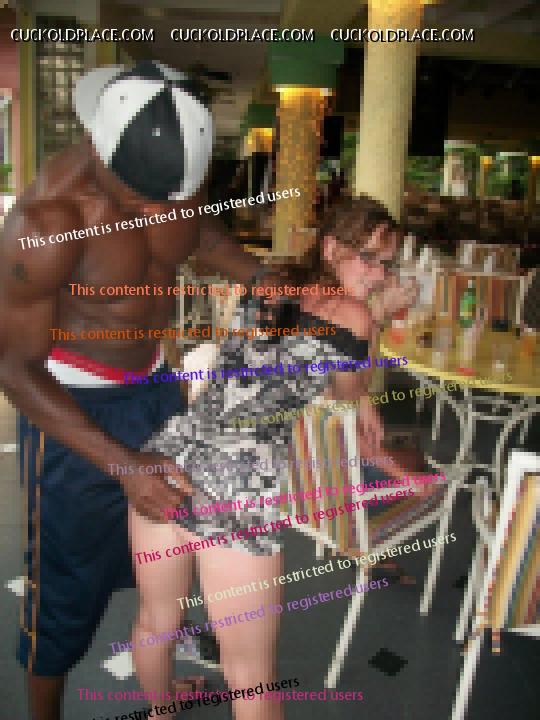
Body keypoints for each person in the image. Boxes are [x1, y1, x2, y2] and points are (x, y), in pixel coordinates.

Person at [0, 59, 284, 720]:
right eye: (139, 199)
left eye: (172, 197)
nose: (159, 212)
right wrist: (123, 464)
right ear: (99, 148)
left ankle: (164, 663)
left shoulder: (172, 174)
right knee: (64, 586)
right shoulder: (43, 223)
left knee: (171, 546)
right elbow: (13, 366)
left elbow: (201, 233)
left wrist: (256, 273)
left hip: (156, 388)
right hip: (74, 407)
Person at [128, 195, 418, 720]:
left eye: (386, 263)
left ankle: (160, 711)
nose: (378, 274)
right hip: (238, 486)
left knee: (155, 623)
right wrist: (379, 319)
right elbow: (347, 392)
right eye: (368, 258)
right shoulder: (354, 315)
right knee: (250, 677)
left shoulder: (272, 280)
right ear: (331, 248)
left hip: (171, 456)